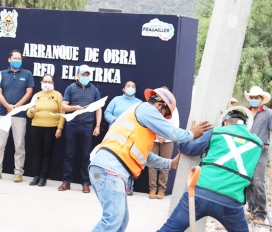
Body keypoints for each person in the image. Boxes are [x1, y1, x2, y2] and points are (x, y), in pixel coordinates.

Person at [89, 88, 212, 231]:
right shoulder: (146, 109)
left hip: (107, 169)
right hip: (109, 169)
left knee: (121, 221)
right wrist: (191, 134)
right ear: (160, 105)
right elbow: (172, 132)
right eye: (164, 115)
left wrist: (170, 163)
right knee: (113, 220)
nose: (162, 119)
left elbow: (145, 156)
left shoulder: (140, 124)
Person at [157, 106, 263, 232]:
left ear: (225, 122)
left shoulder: (216, 132)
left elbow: (188, 149)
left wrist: (188, 135)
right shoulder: (257, 144)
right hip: (231, 202)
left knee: (169, 230)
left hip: (200, 193)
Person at [0, 50, 34, 182]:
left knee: (19, 145)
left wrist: (16, 106)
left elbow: (29, 92)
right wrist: (8, 106)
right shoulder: (2, 74)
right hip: (2, 113)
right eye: (15, 58)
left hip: (20, 114)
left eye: (19, 58)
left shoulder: (27, 74)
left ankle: (18, 172)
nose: (17, 60)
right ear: (9, 59)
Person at [244, 86, 272, 223]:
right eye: (252, 98)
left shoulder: (269, 114)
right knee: (248, 181)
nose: (254, 100)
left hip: (261, 151)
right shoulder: (245, 113)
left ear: (261, 99)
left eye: (256, 98)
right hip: (246, 151)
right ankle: (252, 211)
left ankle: (261, 214)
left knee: (258, 181)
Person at [58, 64, 102, 193]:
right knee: (69, 154)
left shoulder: (94, 90)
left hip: (88, 125)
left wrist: (98, 125)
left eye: (87, 74)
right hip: (72, 125)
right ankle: (66, 181)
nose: (85, 76)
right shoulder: (70, 88)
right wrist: (74, 108)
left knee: (86, 156)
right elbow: (63, 106)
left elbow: (98, 108)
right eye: (83, 74)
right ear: (77, 75)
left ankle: (85, 183)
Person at [104, 80, 142, 195]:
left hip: (131, 137)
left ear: (135, 90)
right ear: (123, 89)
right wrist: (114, 120)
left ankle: (128, 187)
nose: (130, 87)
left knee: (128, 161)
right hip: (114, 137)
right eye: (128, 86)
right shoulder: (116, 100)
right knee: (113, 161)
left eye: (133, 86)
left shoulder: (139, 103)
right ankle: (111, 186)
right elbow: (107, 113)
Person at [27, 74, 65, 187]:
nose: (47, 83)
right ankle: (36, 176)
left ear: (53, 83)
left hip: (51, 127)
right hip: (36, 126)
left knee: (46, 153)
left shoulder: (57, 95)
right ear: (41, 82)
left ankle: (43, 177)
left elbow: (62, 112)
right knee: (37, 152)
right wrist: (31, 112)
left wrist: (60, 127)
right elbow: (28, 113)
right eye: (45, 81)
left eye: (49, 81)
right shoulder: (37, 95)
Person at [148, 87, 180, 199]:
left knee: (166, 164)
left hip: (167, 141)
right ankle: (152, 189)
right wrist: (157, 135)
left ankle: (162, 189)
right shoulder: (151, 108)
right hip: (153, 139)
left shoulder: (173, 109)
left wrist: (164, 136)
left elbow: (175, 127)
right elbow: (148, 123)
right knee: (152, 164)